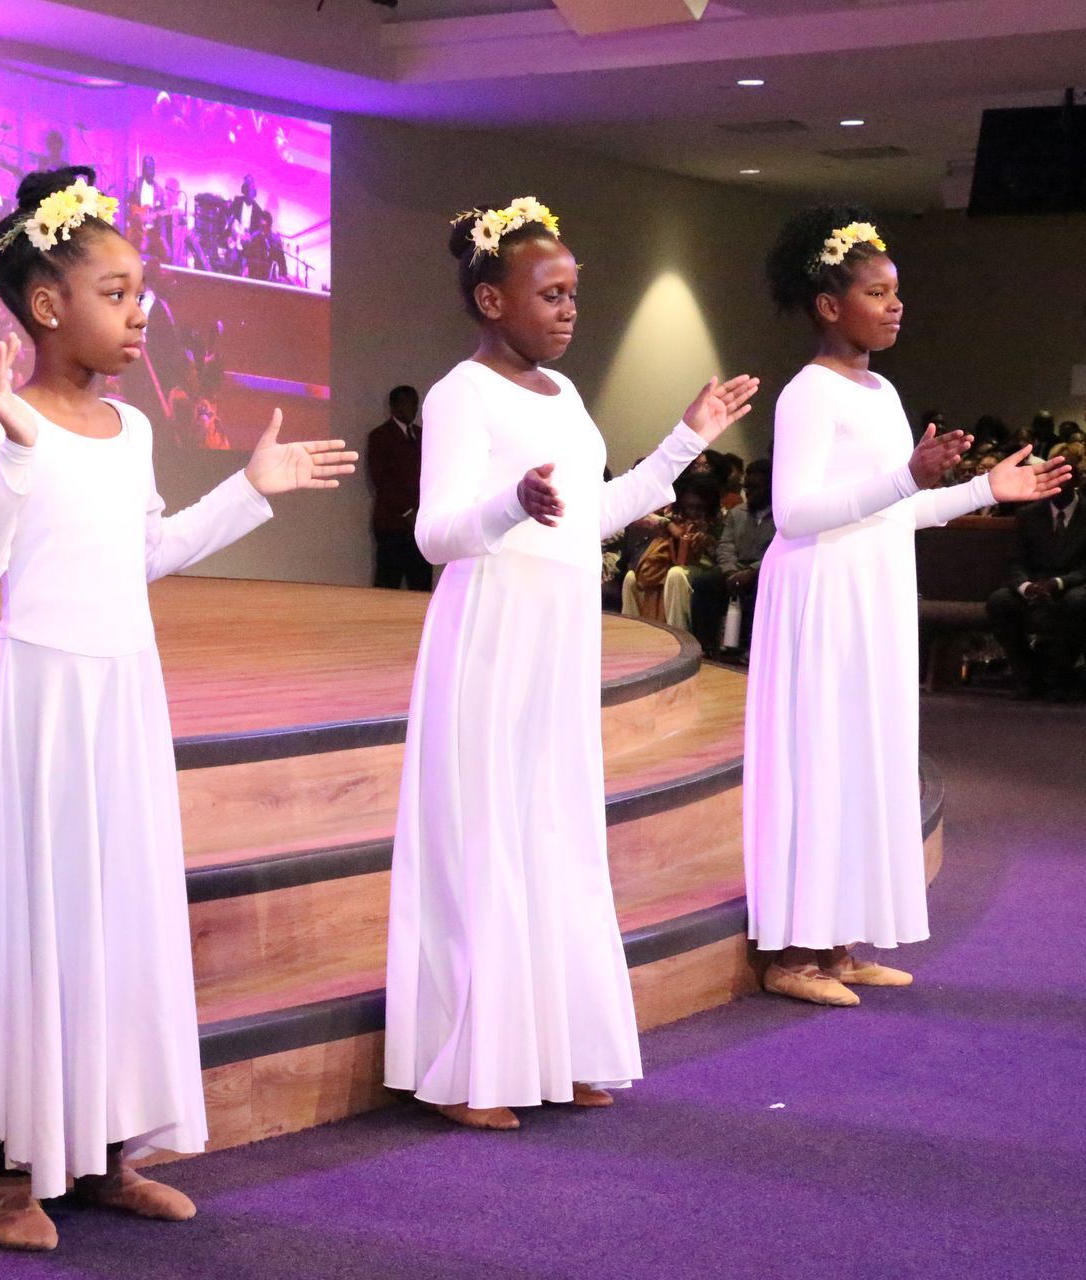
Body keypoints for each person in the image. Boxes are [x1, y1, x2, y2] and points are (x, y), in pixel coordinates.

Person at [0, 167, 356, 1252]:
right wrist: (15, 452)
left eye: (141, 289)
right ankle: (19, 1171)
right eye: (118, 291)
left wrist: (252, 488)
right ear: (48, 304)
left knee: (116, 914)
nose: (141, 310)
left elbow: (147, 551)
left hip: (122, 696)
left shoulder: (132, 431)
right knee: (36, 921)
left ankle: (110, 1151)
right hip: (39, 701)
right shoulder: (0, 420)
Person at [386, 195, 758, 1130]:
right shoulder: (460, 394)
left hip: (557, 638)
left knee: (553, 834)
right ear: (488, 300)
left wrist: (687, 438)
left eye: (573, 293)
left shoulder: (567, 395)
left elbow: (594, 513)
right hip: (491, 637)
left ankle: (555, 1045)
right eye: (548, 293)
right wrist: (508, 504)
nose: (567, 310)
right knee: (488, 838)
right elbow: (434, 536)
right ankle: (475, 1061)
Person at [743, 206, 1068, 1008]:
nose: (895, 306)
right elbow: (795, 513)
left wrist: (984, 489)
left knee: (865, 761)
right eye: (877, 292)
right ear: (829, 305)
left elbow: (896, 506)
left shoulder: (882, 388)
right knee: (821, 763)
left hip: (873, 586)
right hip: (822, 591)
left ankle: (842, 942)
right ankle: (791, 953)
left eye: (897, 293)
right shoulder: (808, 393)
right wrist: (906, 478)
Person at [985, 446, 1086, 699]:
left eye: (1063, 476)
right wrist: (1026, 587)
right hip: (1035, 583)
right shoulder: (1028, 515)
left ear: (1076, 480)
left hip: (1078, 583)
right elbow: (1015, 562)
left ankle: (1058, 677)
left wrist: (1057, 584)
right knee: (1000, 602)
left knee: (1075, 602)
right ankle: (1026, 675)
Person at [622, 472, 725, 643]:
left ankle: (679, 640)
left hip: (705, 570)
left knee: (676, 574)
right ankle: (633, 638)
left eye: (698, 508)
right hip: (666, 567)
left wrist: (708, 542)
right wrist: (668, 525)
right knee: (631, 578)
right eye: (688, 507)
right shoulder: (673, 519)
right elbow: (634, 517)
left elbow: (724, 554)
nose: (692, 512)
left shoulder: (719, 522)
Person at [366, 384, 432, 590]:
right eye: (407, 403)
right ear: (393, 407)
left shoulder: (425, 435)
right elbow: (382, 480)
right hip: (392, 524)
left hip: (421, 523)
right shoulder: (380, 436)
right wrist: (408, 511)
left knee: (421, 584)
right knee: (388, 583)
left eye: (415, 403)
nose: (413, 409)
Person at [715, 457, 774, 654]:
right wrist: (730, 570)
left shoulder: (782, 516)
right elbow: (725, 545)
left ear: (770, 487)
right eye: (746, 486)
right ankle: (704, 646)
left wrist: (752, 571)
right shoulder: (736, 513)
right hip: (735, 569)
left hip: (763, 572)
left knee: (760, 588)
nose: (748, 492)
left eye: (755, 487)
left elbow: (775, 552)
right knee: (702, 583)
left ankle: (752, 650)